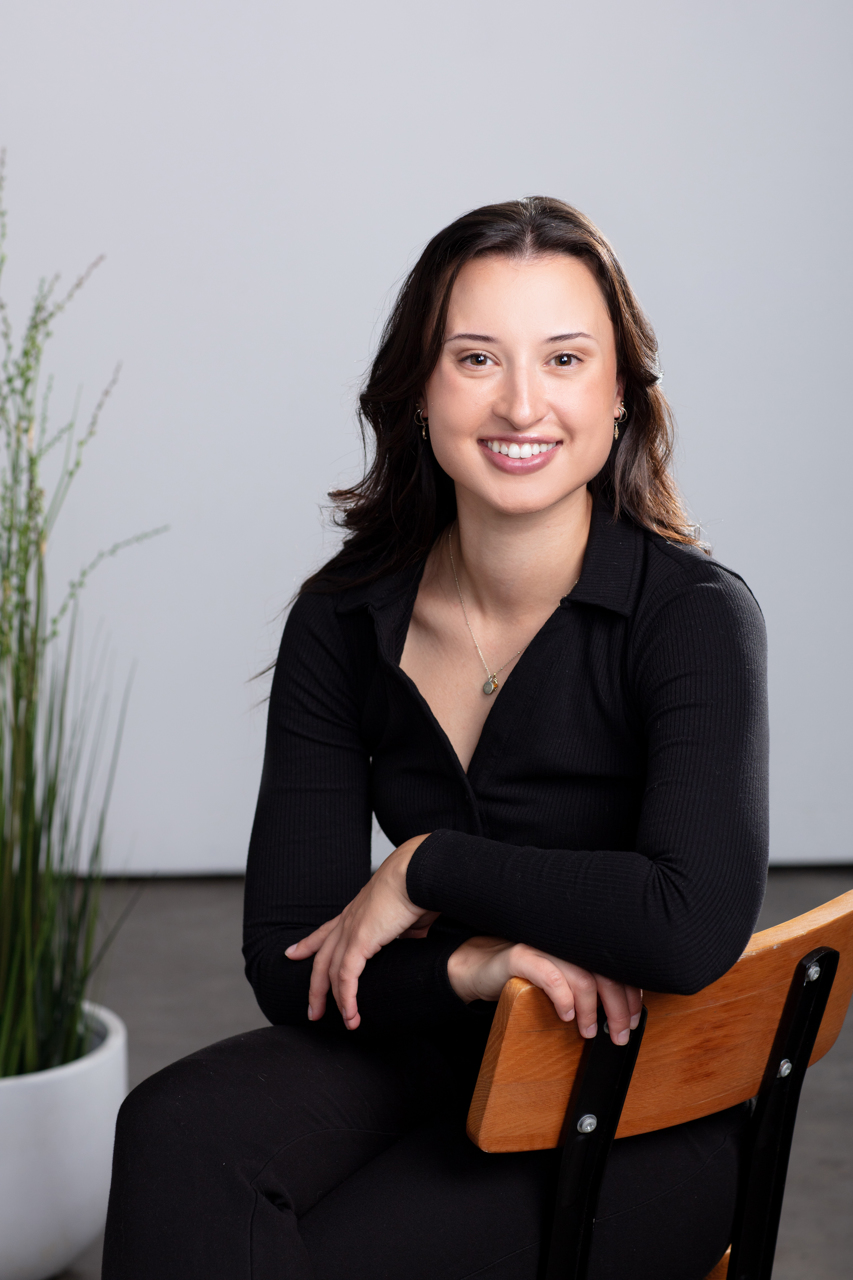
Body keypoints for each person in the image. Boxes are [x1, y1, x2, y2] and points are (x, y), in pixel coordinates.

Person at [102, 197, 769, 1280]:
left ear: (617, 399)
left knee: (307, 1254)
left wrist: (429, 867)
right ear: (419, 390)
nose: (521, 402)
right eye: (475, 358)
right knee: (173, 1137)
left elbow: (686, 921)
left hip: (636, 1093)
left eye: (563, 358)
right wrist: (473, 964)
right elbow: (288, 954)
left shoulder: (691, 614)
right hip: (434, 1042)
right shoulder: (343, 615)